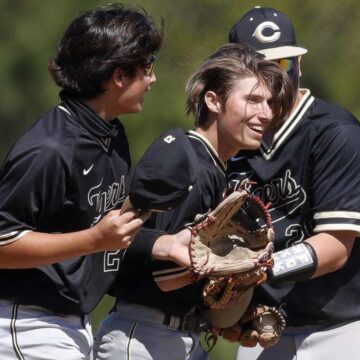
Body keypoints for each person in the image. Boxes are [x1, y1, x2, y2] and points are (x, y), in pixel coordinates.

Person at [93, 42, 294, 360]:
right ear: (213, 100)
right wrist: (226, 266)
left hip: (180, 336)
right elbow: (140, 260)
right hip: (144, 336)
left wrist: (235, 304)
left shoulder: (216, 167)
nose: (266, 113)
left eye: (270, 102)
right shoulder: (180, 156)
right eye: (253, 100)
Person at [0, 4, 163, 359]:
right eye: (147, 65)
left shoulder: (111, 134)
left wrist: (167, 243)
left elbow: (105, 231)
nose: (152, 79)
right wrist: (92, 240)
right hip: (26, 323)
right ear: (118, 76)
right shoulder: (49, 148)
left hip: (71, 322)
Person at [226, 6, 360, 360]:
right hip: (263, 330)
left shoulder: (335, 132)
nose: (276, 77)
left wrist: (256, 272)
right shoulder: (232, 140)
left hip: (339, 329)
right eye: (259, 68)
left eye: (283, 64)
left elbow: (336, 245)